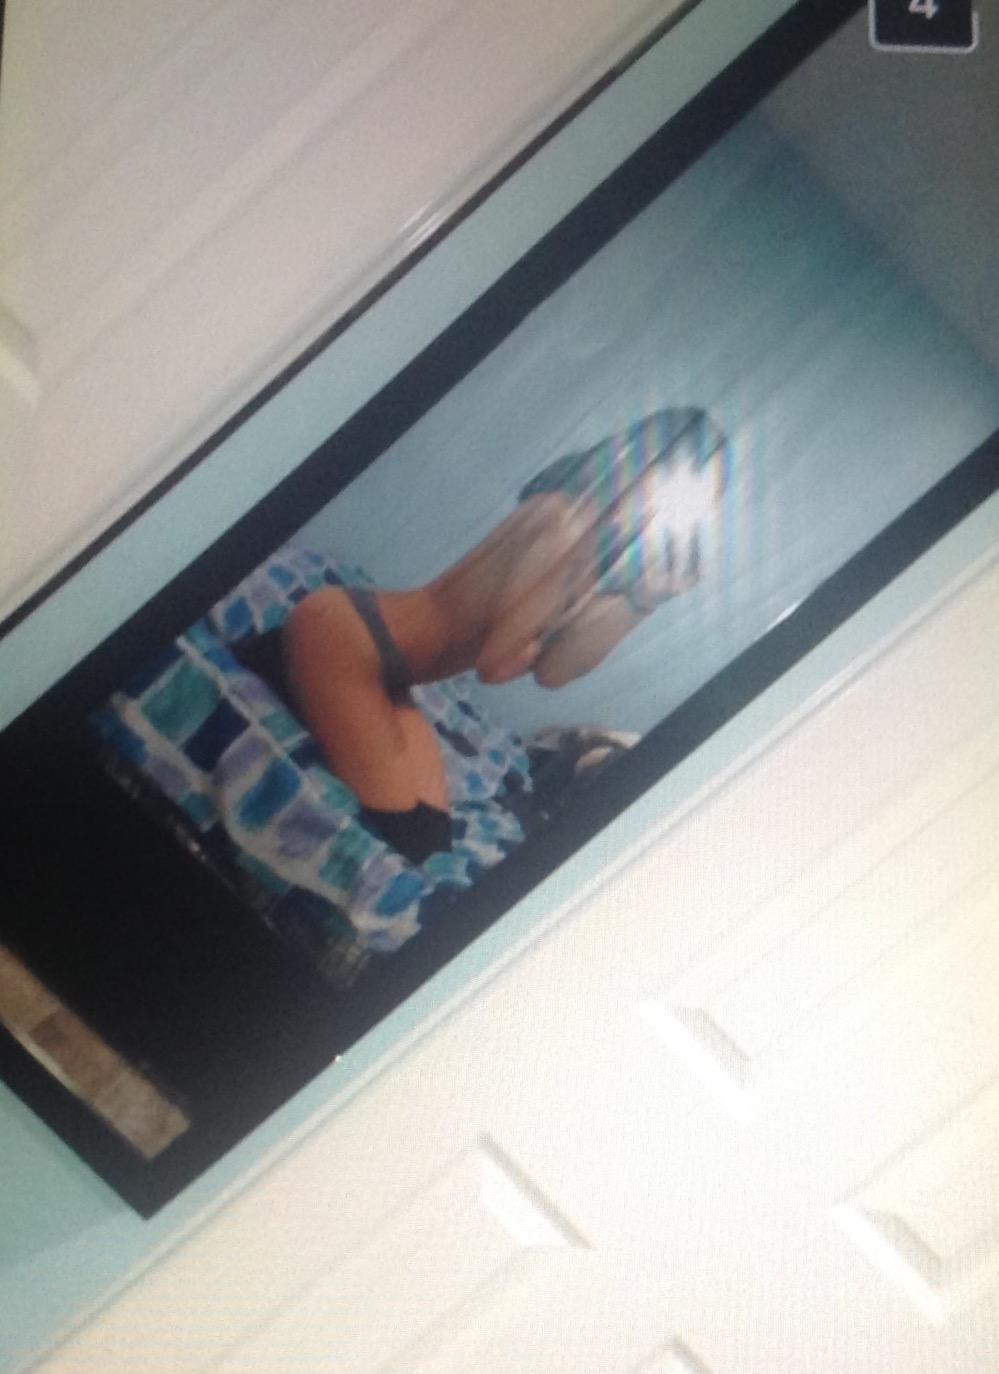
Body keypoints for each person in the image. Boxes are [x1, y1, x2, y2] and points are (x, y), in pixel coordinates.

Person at [240, 407, 729, 864]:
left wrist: (647, 600)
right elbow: (497, 666)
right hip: (354, 635)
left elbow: (556, 673)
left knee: (433, 838)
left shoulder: (597, 559)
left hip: (395, 674)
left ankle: (290, 665)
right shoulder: (563, 525)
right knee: (407, 838)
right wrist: (550, 629)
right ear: (638, 465)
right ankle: (285, 657)